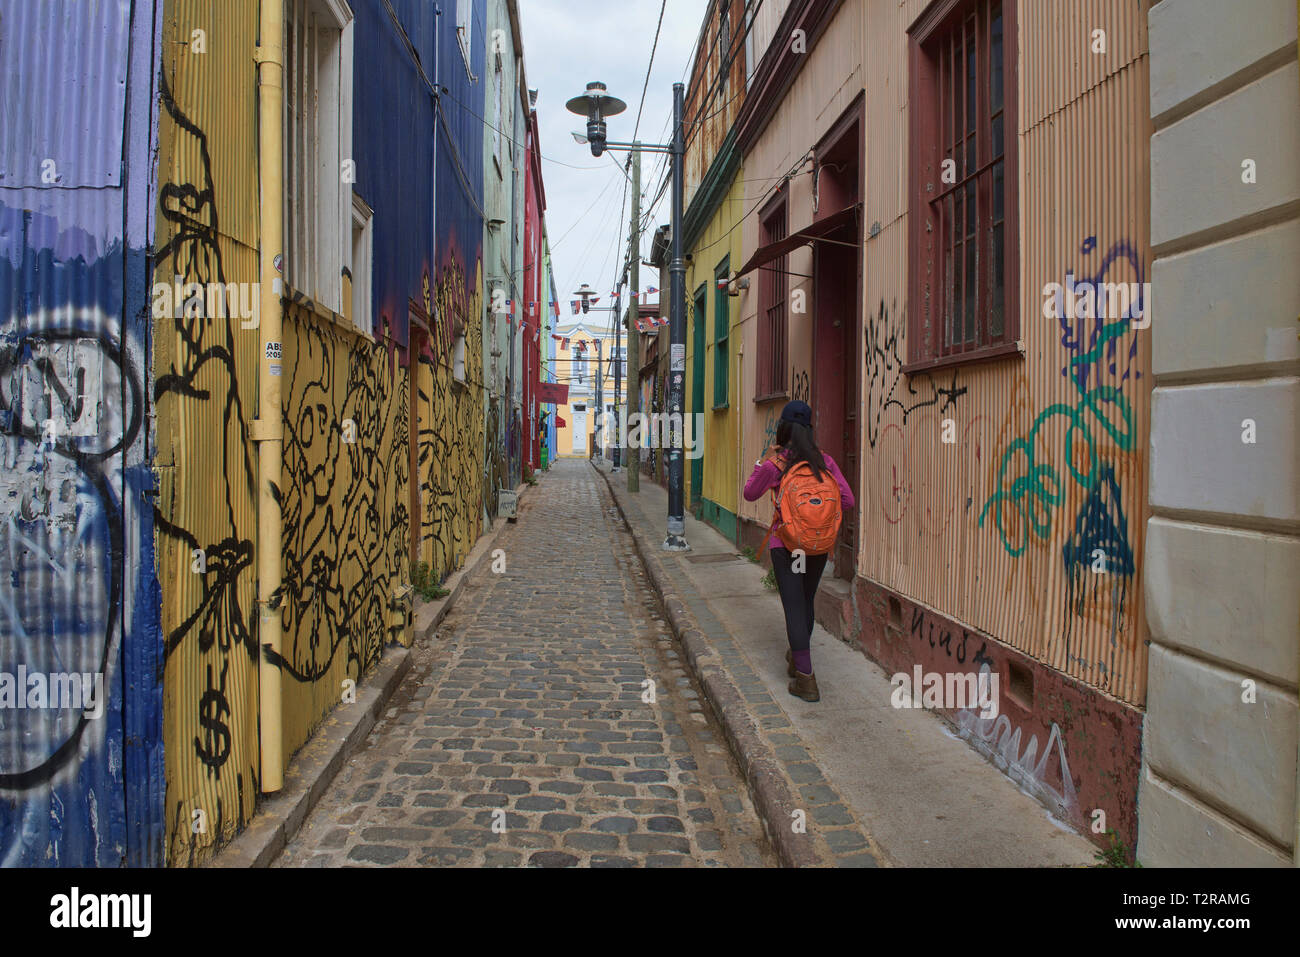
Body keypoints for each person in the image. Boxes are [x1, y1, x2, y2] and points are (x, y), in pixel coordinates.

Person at [743, 400, 855, 702]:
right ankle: (797, 658)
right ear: (808, 429)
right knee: (805, 603)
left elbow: (750, 493)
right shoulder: (825, 463)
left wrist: (761, 463)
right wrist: (820, 519)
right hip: (817, 548)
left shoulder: (776, 464)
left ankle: (806, 679)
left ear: (783, 428)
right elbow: (848, 500)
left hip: (788, 546)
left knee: (794, 607)